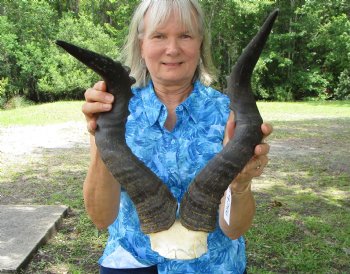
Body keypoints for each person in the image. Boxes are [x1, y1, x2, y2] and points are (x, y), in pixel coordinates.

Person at [82, 0, 272, 273]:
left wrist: (240, 185)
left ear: (200, 44)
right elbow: (101, 218)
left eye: (185, 35)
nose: (172, 49)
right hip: (132, 262)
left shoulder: (228, 116)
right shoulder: (114, 113)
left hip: (213, 266)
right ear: (141, 44)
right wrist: (103, 135)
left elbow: (233, 229)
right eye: (159, 35)